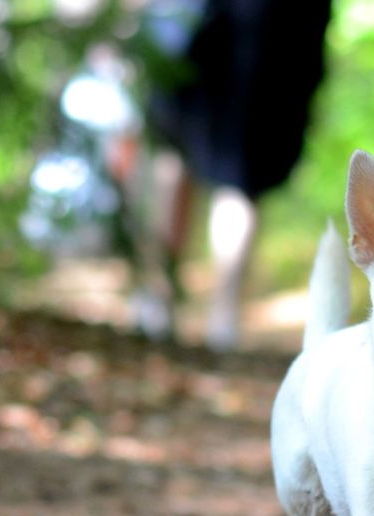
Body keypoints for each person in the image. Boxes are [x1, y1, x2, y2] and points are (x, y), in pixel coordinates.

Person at [133, 0, 333, 349]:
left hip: (241, 29)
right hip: (248, 30)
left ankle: (172, 302)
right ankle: (208, 312)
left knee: (205, 163)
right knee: (222, 169)